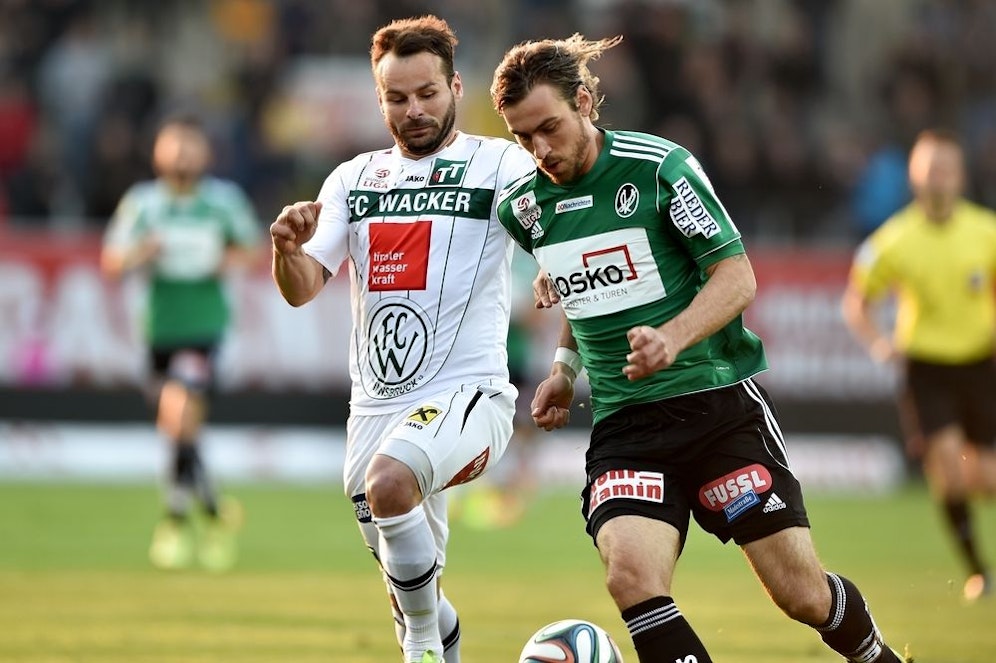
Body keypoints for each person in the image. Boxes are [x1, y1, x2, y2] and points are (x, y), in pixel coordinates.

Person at [490, 34, 909, 663]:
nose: (540, 150)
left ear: (584, 102)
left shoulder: (660, 170)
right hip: (625, 425)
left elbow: (737, 277)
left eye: (549, 128)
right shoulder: (525, 207)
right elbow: (582, 286)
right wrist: (564, 368)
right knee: (631, 578)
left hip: (715, 409)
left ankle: (876, 655)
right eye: (524, 138)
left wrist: (672, 338)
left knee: (800, 595)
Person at [268, 16, 535, 663]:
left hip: (470, 395)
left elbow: (548, 228)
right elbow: (302, 288)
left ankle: (417, 648)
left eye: (427, 93)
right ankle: (430, 638)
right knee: (412, 587)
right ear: (379, 99)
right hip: (376, 410)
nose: (413, 109)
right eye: (397, 97)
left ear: (455, 88)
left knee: (390, 487)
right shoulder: (353, 181)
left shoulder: (498, 163)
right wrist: (286, 250)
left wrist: (554, 272)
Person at [101, 113, 261, 571]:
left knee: (179, 409)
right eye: (173, 145)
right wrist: (142, 253)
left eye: (190, 145)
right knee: (178, 428)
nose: (182, 154)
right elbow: (111, 262)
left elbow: (251, 249)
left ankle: (172, 521)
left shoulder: (223, 202)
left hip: (205, 328)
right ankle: (213, 511)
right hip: (159, 330)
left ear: (205, 153)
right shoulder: (144, 203)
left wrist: (225, 260)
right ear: (157, 152)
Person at [842, 128, 996, 602]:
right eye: (930, 170)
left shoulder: (986, 231)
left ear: (960, 177)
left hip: (980, 364)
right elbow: (856, 302)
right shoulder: (894, 240)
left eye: (946, 170)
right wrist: (878, 343)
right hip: (926, 369)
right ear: (914, 178)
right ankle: (979, 572)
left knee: (983, 478)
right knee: (948, 466)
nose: (938, 179)